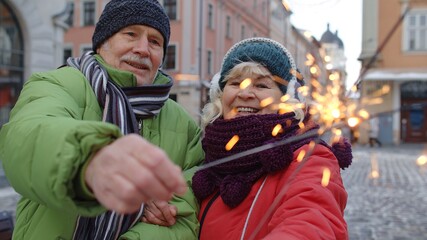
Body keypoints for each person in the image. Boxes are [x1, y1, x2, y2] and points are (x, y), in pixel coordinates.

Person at [0, 0, 204, 239]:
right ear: (102, 42)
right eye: (130, 34)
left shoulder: (183, 122)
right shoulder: (58, 84)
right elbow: (27, 137)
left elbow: (185, 215)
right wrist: (87, 162)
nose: (143, 49)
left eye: (155, 41)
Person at [192, 37, 353, 239]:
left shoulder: (310, 158)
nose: (245, 93)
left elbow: (312, 219)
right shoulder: (205, 151)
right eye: (235, 83)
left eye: (261, 85)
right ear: (220, 94)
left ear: (286, 99)